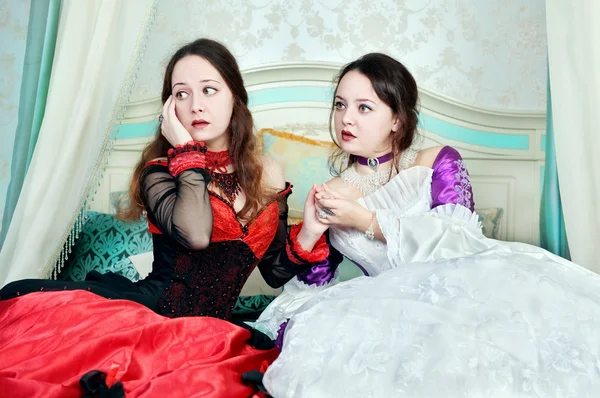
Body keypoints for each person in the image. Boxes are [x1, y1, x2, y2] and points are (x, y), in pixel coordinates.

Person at [255, 53, 600, 397]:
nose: (346, 119)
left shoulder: (437, 161)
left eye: (364, 107)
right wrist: (313, 231)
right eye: (340, 105)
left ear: (397, 119)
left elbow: (459, 243)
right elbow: (312, 288)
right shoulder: (331, 195)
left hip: (470, 294)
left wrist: (364, 219)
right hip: (386, 313)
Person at [0, 38, 330, 397]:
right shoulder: (159, 172)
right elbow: (197, 235)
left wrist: (310, 231)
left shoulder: (267, 172)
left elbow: (272, 271)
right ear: (169, 108)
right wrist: (187, 152)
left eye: (209, 90)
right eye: (181, 94)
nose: (195, 105)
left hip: (217, 334)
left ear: (235, 97)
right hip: (153, 319)